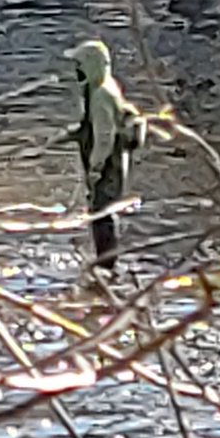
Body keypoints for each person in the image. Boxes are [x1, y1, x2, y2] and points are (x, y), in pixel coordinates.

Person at [64, 40, 146, 270]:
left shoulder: (100, 95)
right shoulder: (103, 89)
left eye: (80, 65)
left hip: (109, 165)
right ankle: (106, 264)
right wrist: (69, 135)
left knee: (102, 214)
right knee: (102, 212)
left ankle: (106, 266)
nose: (77, 71)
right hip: (111, 163)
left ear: (92, 65)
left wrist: (95, 167)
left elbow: (104, 137)